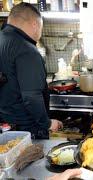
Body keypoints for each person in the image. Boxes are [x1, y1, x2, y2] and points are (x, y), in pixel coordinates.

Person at [0, 3, 62, 139]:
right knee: (35, 160)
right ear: (35, 24)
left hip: (6, 126)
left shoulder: (2, 39)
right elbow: (31, 96)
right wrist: (47, 123)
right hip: (28, 129)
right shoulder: (26, 50)